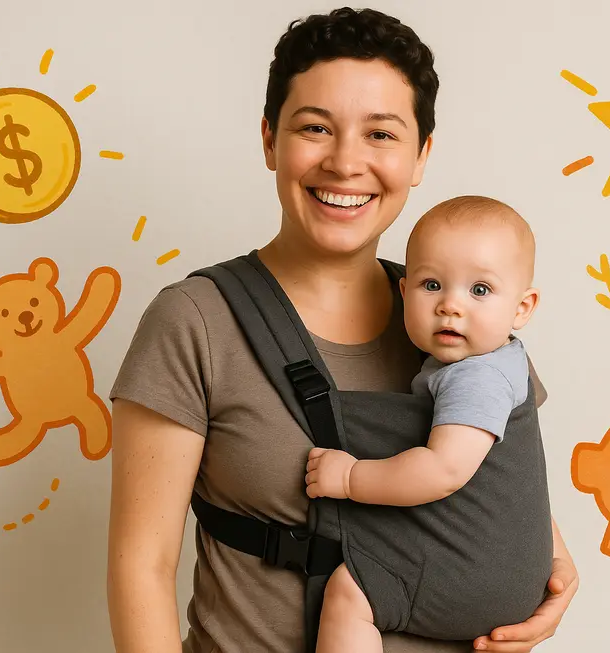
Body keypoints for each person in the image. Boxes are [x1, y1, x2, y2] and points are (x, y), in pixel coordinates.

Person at [107, 7, 579, 653]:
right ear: (271, 139)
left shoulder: (466, 320)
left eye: (381, 134)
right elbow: (142, 566)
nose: (346, 162)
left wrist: (555, 571)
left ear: (421, 156)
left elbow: (506, 475)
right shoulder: (196, 320)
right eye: (315, 128)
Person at [305, 195, 549, 652]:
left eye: (480, 290)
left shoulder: (479, 376)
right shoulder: (502, 358)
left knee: (347, 594)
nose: (451, 306)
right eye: (432, 284)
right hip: (513, 572)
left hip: (477, 574)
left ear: (522, 307)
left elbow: (444, 471)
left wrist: (351, 477)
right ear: (404, 293)